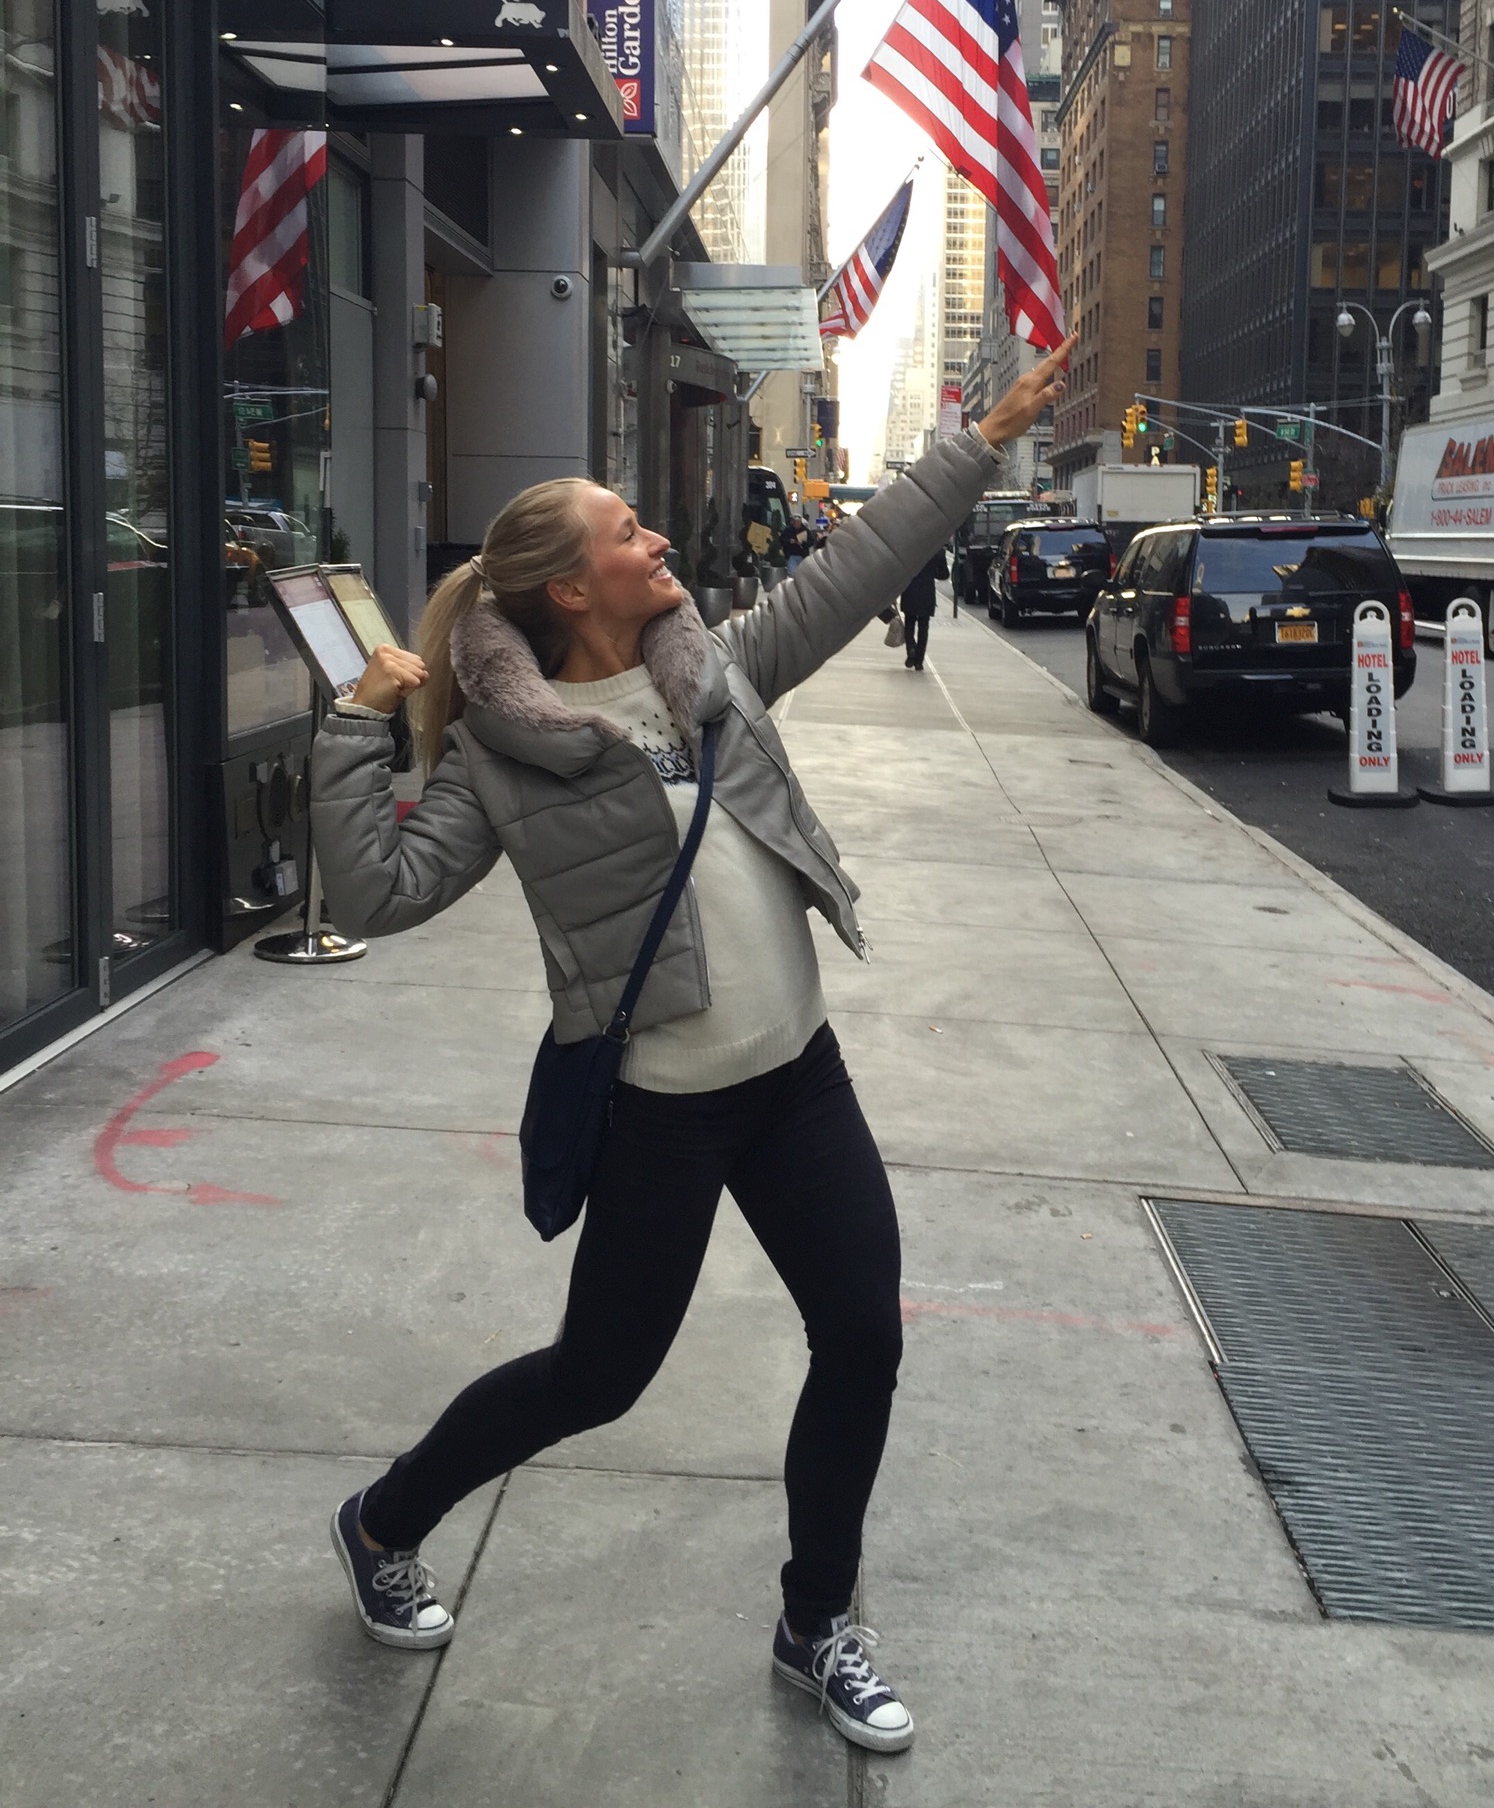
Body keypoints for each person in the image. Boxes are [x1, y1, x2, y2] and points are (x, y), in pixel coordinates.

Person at [310, 337, 1073, 1757]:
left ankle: (814, 1619)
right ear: (567, 586)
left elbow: (854, 568)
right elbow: (378, 892)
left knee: (861, 1332)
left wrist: (976, 448)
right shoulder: (500, 752)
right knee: (597, 1378)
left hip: (798, 1076)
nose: (657, 538)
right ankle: (381, 1518)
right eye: (628, 531)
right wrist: (358, 733)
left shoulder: (713, 669)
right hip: (663, 1104)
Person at [898, 548, 949, 671]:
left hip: (910, 590)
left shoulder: (909, 549)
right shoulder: (938, 551)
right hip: (927, 592)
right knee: (924, 626)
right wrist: (933, 572)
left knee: (909, 623)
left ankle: (911, 648)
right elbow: (944, 575)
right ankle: (919, 661)